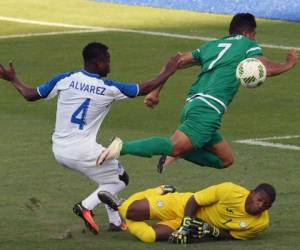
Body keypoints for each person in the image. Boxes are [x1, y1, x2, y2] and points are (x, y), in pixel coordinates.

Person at [0, 42, 178, 234]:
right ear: (99, 63)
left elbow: (29, 94)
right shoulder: (108, 88)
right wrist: (170, 70)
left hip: (59, 150)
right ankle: (85, 206)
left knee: (109, 173)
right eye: (108, 61)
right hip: (82, 151)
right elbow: (145, 88)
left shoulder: (65, 79)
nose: (110, 66)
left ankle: (115, 222)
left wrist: (13, 79)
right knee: (119, 180)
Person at [97, 13, 298, 173]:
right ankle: (122, 147)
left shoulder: (211, 46)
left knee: (225, 160)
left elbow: (175, 61)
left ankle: (182, 152)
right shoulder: (248, 44)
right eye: (254, 36)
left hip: (194, 104)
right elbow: (264, 67)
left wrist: (156, 91)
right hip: (208, 108)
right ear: (249, 33)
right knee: (174, 147)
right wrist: (288, 64)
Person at [98, 182, 276, 243]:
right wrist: (186, 225)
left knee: (148, 237)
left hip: (190, 226)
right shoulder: (229, 190)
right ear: (251, 193)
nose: (261, 206)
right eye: (259, 200)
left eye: (266, 205)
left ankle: (120, 206)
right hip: (183, 206)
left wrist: (211, 232)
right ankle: (159, 191)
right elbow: (195, 200)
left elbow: (232, 236)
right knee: (132, 211)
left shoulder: (260, 224)